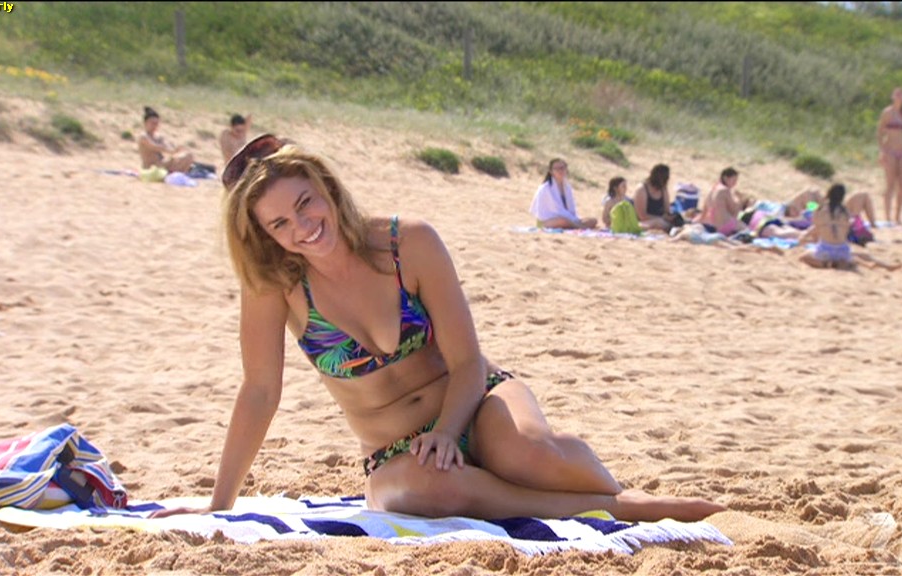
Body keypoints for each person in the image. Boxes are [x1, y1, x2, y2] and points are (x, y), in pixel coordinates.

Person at [153, 135, 723, 523]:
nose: (302, 227)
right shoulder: (274, 286)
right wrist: (219, 503)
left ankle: (610, 493)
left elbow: (467, 359)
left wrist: (450, 431)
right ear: (265, 234)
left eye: (306, 203)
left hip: (475, 399)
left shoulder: (408, 242)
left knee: (527, 452)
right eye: (280, 223)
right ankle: (614, 510)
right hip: (395, 450)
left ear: (326, 186)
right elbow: (259, 391)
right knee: (433, 489)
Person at [800, 184, 901, 272]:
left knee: (803, 257)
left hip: (825, 249)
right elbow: (847, 229)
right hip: (843, 249)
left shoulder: (819, 209)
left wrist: (806, 236)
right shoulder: (845, 211)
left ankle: (827, 264)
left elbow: (816, 226)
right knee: (863, 255)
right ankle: (886, 266)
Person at [529, 159, 597, 229]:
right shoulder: (545, 188)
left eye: (562, 168)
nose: (560, 171)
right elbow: (555, 210)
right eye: (556, 169)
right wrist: (571, 219)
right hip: (548, 220)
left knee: (593, 220)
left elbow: (571, 209)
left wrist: (573, 218)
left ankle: (577, 225)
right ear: (551, 171)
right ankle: (580, 227)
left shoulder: (567, 187)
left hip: (568, 218)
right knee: (564, 221)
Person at [877, 87, 902, 226]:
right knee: (890, 184)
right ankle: (887, 216)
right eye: (897, 94)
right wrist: (882, 150)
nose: (899, 97)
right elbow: (880, 132)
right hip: (890, 150)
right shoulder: (887, 112)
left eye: (901, 95)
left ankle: (898, 216)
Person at [138, 107, 195, 174]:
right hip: (151, 167)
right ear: (145, 123)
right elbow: (155, 147)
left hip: (162, 163)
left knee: (188, 155)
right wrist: (172, 151)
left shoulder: (159, 136)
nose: (155, 126)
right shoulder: (143, 136)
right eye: (152, 123)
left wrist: (177, 149)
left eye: (156, 124)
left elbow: (167, 145)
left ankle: (179, 172)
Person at [696, 167, 745, 237]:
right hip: (725, 225)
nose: (735, 183)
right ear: (725, 178)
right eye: (734, 180)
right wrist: (739, 200)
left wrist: (700, 220)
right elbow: (733, 211)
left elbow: (705, 207)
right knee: (746, 229)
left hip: (713, 225)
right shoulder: (725, 190)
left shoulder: (713, 189)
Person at [632, 164, 678, 232]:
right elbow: (642, 216)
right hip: (644, 222)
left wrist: (669, 217)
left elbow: (667, 210)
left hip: (660, 220)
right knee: (659, 223)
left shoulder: (663, 189)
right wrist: (660, 218)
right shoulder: (642, 189)